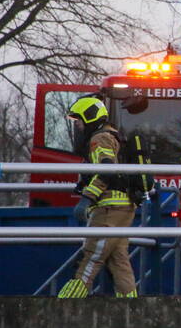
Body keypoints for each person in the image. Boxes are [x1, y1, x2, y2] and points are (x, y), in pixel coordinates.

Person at [58, 96, 138, 298]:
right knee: (119, 261)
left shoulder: (99, 138)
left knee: (90, 257)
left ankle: (67, 303)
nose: (77, 126)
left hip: (108, 208)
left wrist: (87, 198)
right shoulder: (113, 135)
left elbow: (107, 169)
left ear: (89, 117)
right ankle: (131, 308)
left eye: (79, 121)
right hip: (122, 207)